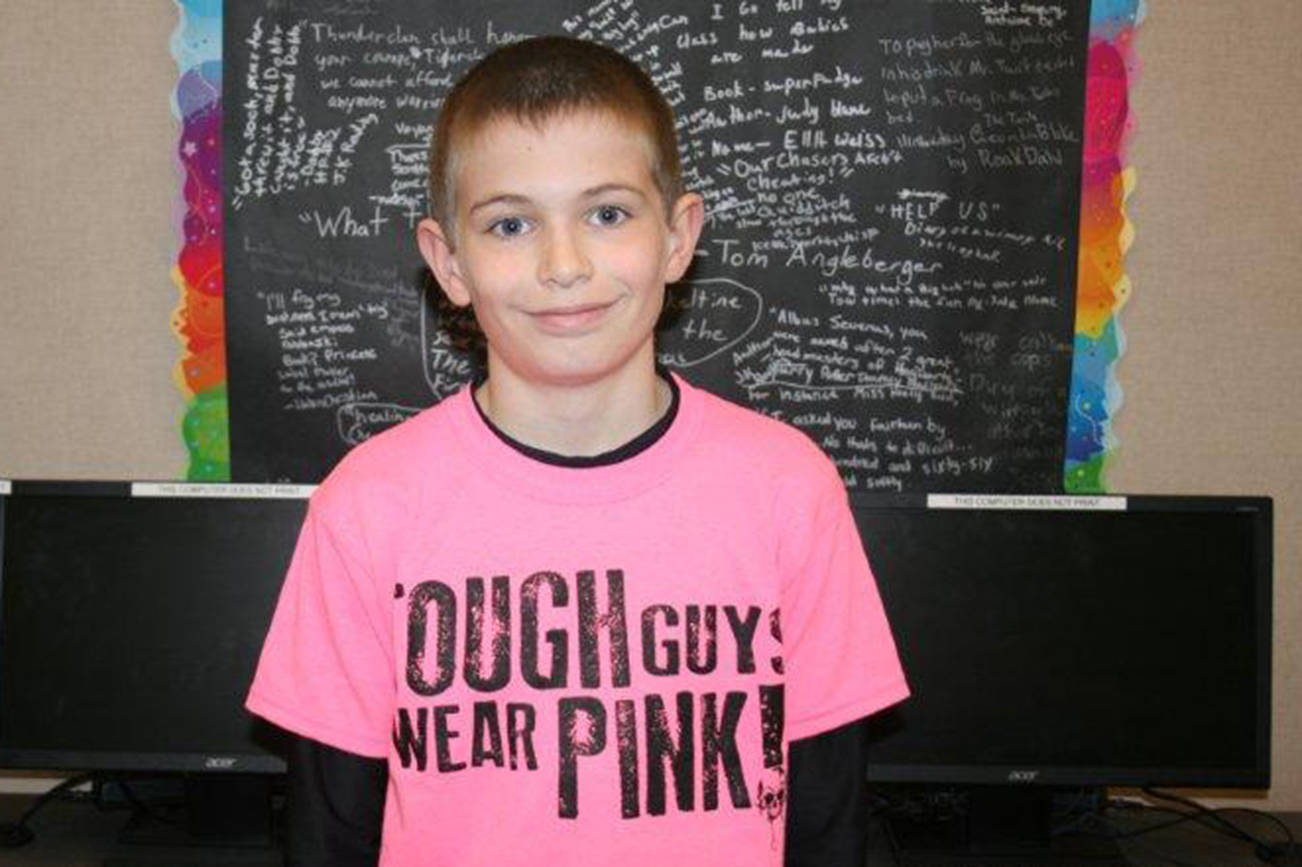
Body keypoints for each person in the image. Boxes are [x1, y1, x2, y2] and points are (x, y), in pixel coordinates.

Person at [247, 35, 908, 867]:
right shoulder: (368, 505)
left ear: (677, 237)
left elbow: (827, 816)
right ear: (449, 262)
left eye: (607, 214)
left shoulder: (789, 488)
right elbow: (329, 828)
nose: (564, 265)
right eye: (512, 224)